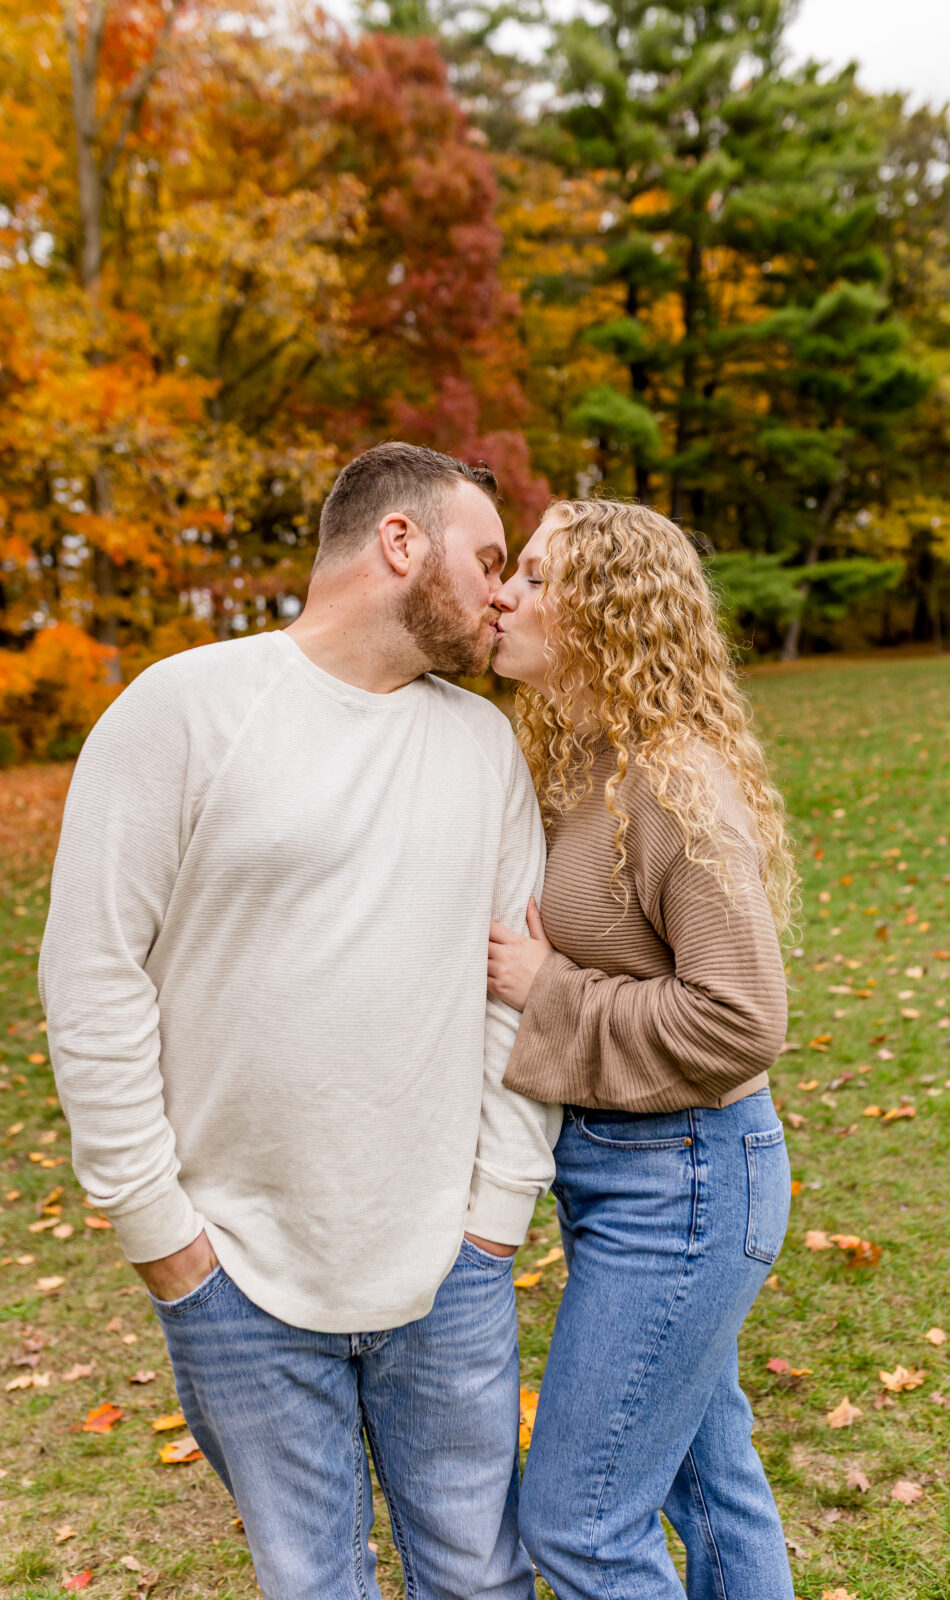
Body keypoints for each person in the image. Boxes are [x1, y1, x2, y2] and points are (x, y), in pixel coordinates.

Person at [39, 442, 562, 1600]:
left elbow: (510, 997)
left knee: (480, 1582)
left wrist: (492, 1220)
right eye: (486, 559)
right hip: (236, 1277)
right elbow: (91, 976)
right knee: (312, 1584)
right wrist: (165, 1240)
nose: (501, 594)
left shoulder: (482, 747)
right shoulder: (180, 708)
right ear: (398, 542)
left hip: (449, 1274)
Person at [487, 498, 797, 1600]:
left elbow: (740, 1018)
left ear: (606, 612)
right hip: (633, 1175)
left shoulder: (672, 781)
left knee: (576, 1524)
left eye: (533, 575)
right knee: (711, 1484)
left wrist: (546, 992)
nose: (504, 594)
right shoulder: (586, 761)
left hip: (690, 1180)